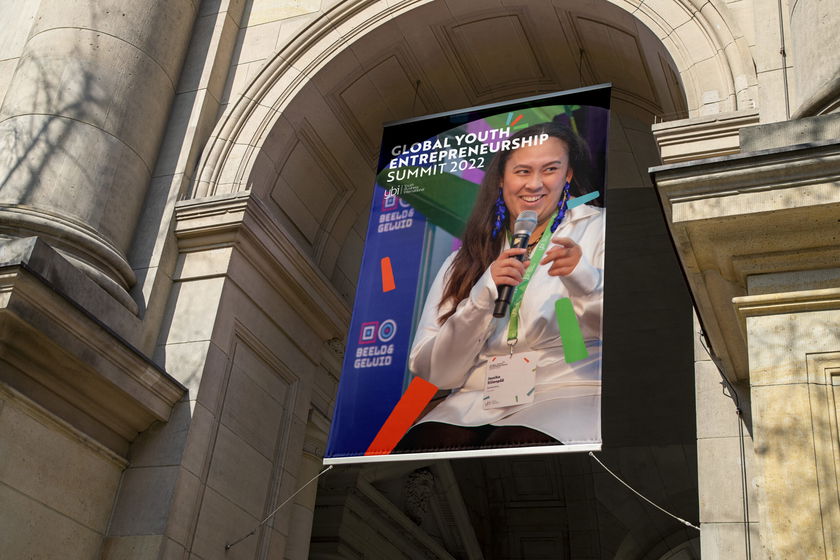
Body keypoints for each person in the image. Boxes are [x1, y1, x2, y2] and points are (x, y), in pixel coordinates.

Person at [395, 121, 604, 452]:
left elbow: (625, 334)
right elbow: (436, 374)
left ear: (567, 175)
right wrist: (482, 297)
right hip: (474, 399)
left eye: (550, 169)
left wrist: (584, 279)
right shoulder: (465, 259)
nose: (534, 184)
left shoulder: (598, 227)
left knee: (519, 447)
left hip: (566, 388)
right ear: (501, 180)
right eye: (522, 171)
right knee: (419, 451)